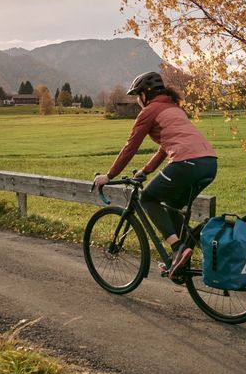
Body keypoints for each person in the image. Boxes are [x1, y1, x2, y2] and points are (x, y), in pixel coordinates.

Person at [93, 71, 218, 280]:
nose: (137, 100)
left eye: (137, 95)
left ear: (145, 95)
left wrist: (109, 175)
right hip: (209, 163)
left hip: (186, 162)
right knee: (173, 206)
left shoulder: (150, 111)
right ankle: (183, 260)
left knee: (148, 198)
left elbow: (130, 147)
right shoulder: (174, 108)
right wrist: (145, 171)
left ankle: (178, 249)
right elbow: (163, 148)